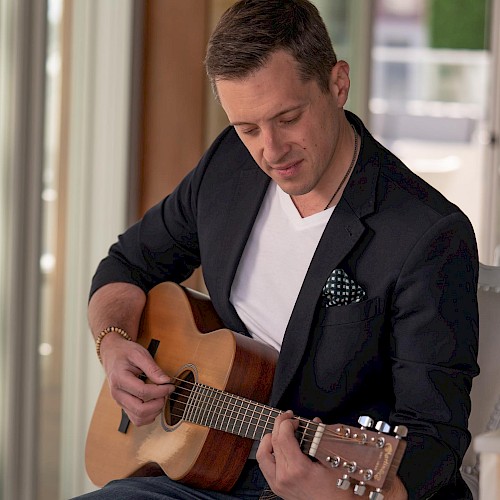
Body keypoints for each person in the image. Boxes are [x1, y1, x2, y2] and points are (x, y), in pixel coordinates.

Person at [75, 1, 479, 499]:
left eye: (287, 118)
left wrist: (333, 495)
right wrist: (113, 343)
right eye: (248, 128)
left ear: (337, 84)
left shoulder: (428, 234)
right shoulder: (228, 164)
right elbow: (128, 264)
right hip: (201, 470)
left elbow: (434, 437)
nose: (270, 150)